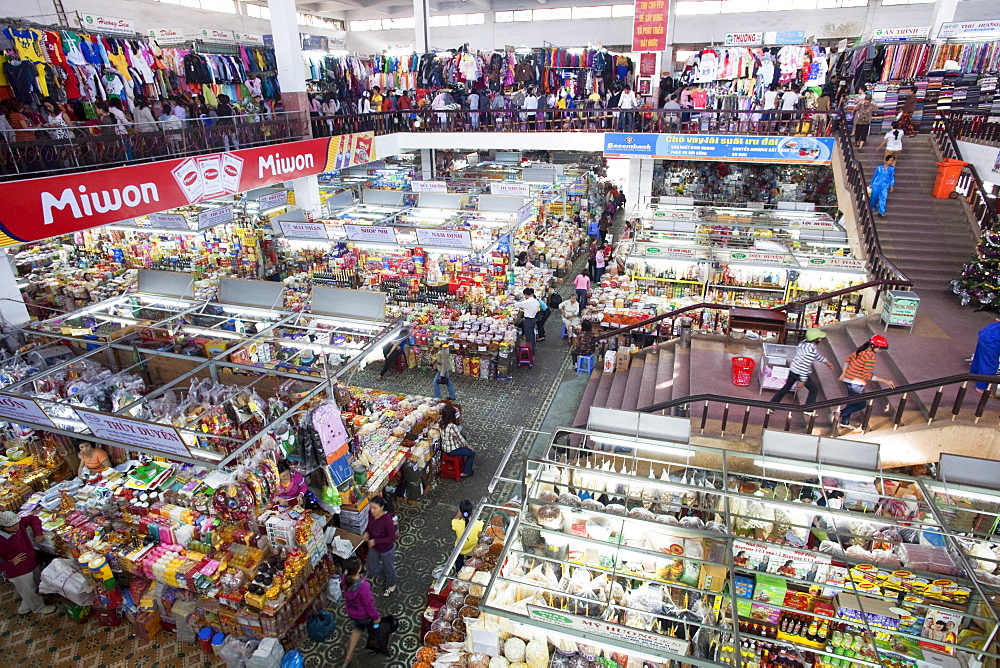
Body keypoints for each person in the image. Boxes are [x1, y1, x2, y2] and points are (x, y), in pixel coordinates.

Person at [0, 511, 55, 616]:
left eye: (16, 523)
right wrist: (11, 563)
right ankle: (38, 607)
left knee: (36, 583)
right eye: (11, 526)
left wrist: (38, 532)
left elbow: (33, 519)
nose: (16, 527)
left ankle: (26, 604)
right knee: (28, 591)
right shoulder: (1, 541)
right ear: (3, 527)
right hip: (18, 571)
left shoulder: (18, 524)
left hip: (31, 561)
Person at [838, 335, 894, 432]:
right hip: (856, 384)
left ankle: (844, 422)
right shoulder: (870, 357)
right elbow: (867, 376)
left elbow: (847, 360)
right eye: (880, 348)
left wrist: (843, 373)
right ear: (874, 346)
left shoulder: (860, 350)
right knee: (861, 404)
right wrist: (885, 381)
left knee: (852, 402)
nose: (881, 351)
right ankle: (839, 414)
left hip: (847, 380)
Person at [771, 329, 834, 406]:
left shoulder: (804, 343)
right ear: (815, 339)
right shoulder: (810, 351)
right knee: (814, 390)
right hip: (800, 372)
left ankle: (772, 404)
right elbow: (805, 366)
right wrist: (803, 380)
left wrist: (825, 361)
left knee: (786, 388)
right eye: (820, 337)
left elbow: (815, 355)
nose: (821, 339)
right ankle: (808, 409)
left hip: (793, 369)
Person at [340, 555, 381, 666]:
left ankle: (349, 655)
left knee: (357, 629)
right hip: (365, 616)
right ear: (359, 569)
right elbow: (369, 605)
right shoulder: (364, 587)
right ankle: (372, 647)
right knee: (374, 629)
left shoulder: (344, 579)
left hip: (353, 612)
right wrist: (376, 617)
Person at [360, 496, 397, 596]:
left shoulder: (387, 520)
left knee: (389, 568)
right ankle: (386, 576)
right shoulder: (371, 515)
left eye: (375, 508)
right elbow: (369, 525)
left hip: (386, 549)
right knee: (372, 567)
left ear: (381, 508)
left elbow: (392, 537)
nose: (372, 511)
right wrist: (367, 533)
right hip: (374, 547)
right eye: (371, 508)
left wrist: (376, 541)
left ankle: (391, 584)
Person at [439, 404, 476, 477]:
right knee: (472, 453)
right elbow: (459, 438)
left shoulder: (441, 422)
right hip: (452, 450)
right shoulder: (452, 426)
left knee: (464, 437)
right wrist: (468, 446)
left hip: (444, 446)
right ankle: (466, 471)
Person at [970, 313, 1000, 392]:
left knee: (979, 358)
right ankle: (981, 387)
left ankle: (973, 377)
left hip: (988, 332)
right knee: (990, 365)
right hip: (993, 340)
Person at [451, 500, 483, 571]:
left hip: (460, 547)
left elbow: (455, 519)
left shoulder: (455, 523)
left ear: (461, 511)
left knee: (458, 560)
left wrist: (459, 512)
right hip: (472, 548)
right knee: (471, 562)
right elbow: (479, 536)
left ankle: (459, 572)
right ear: (472, 511)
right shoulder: (478, 524)